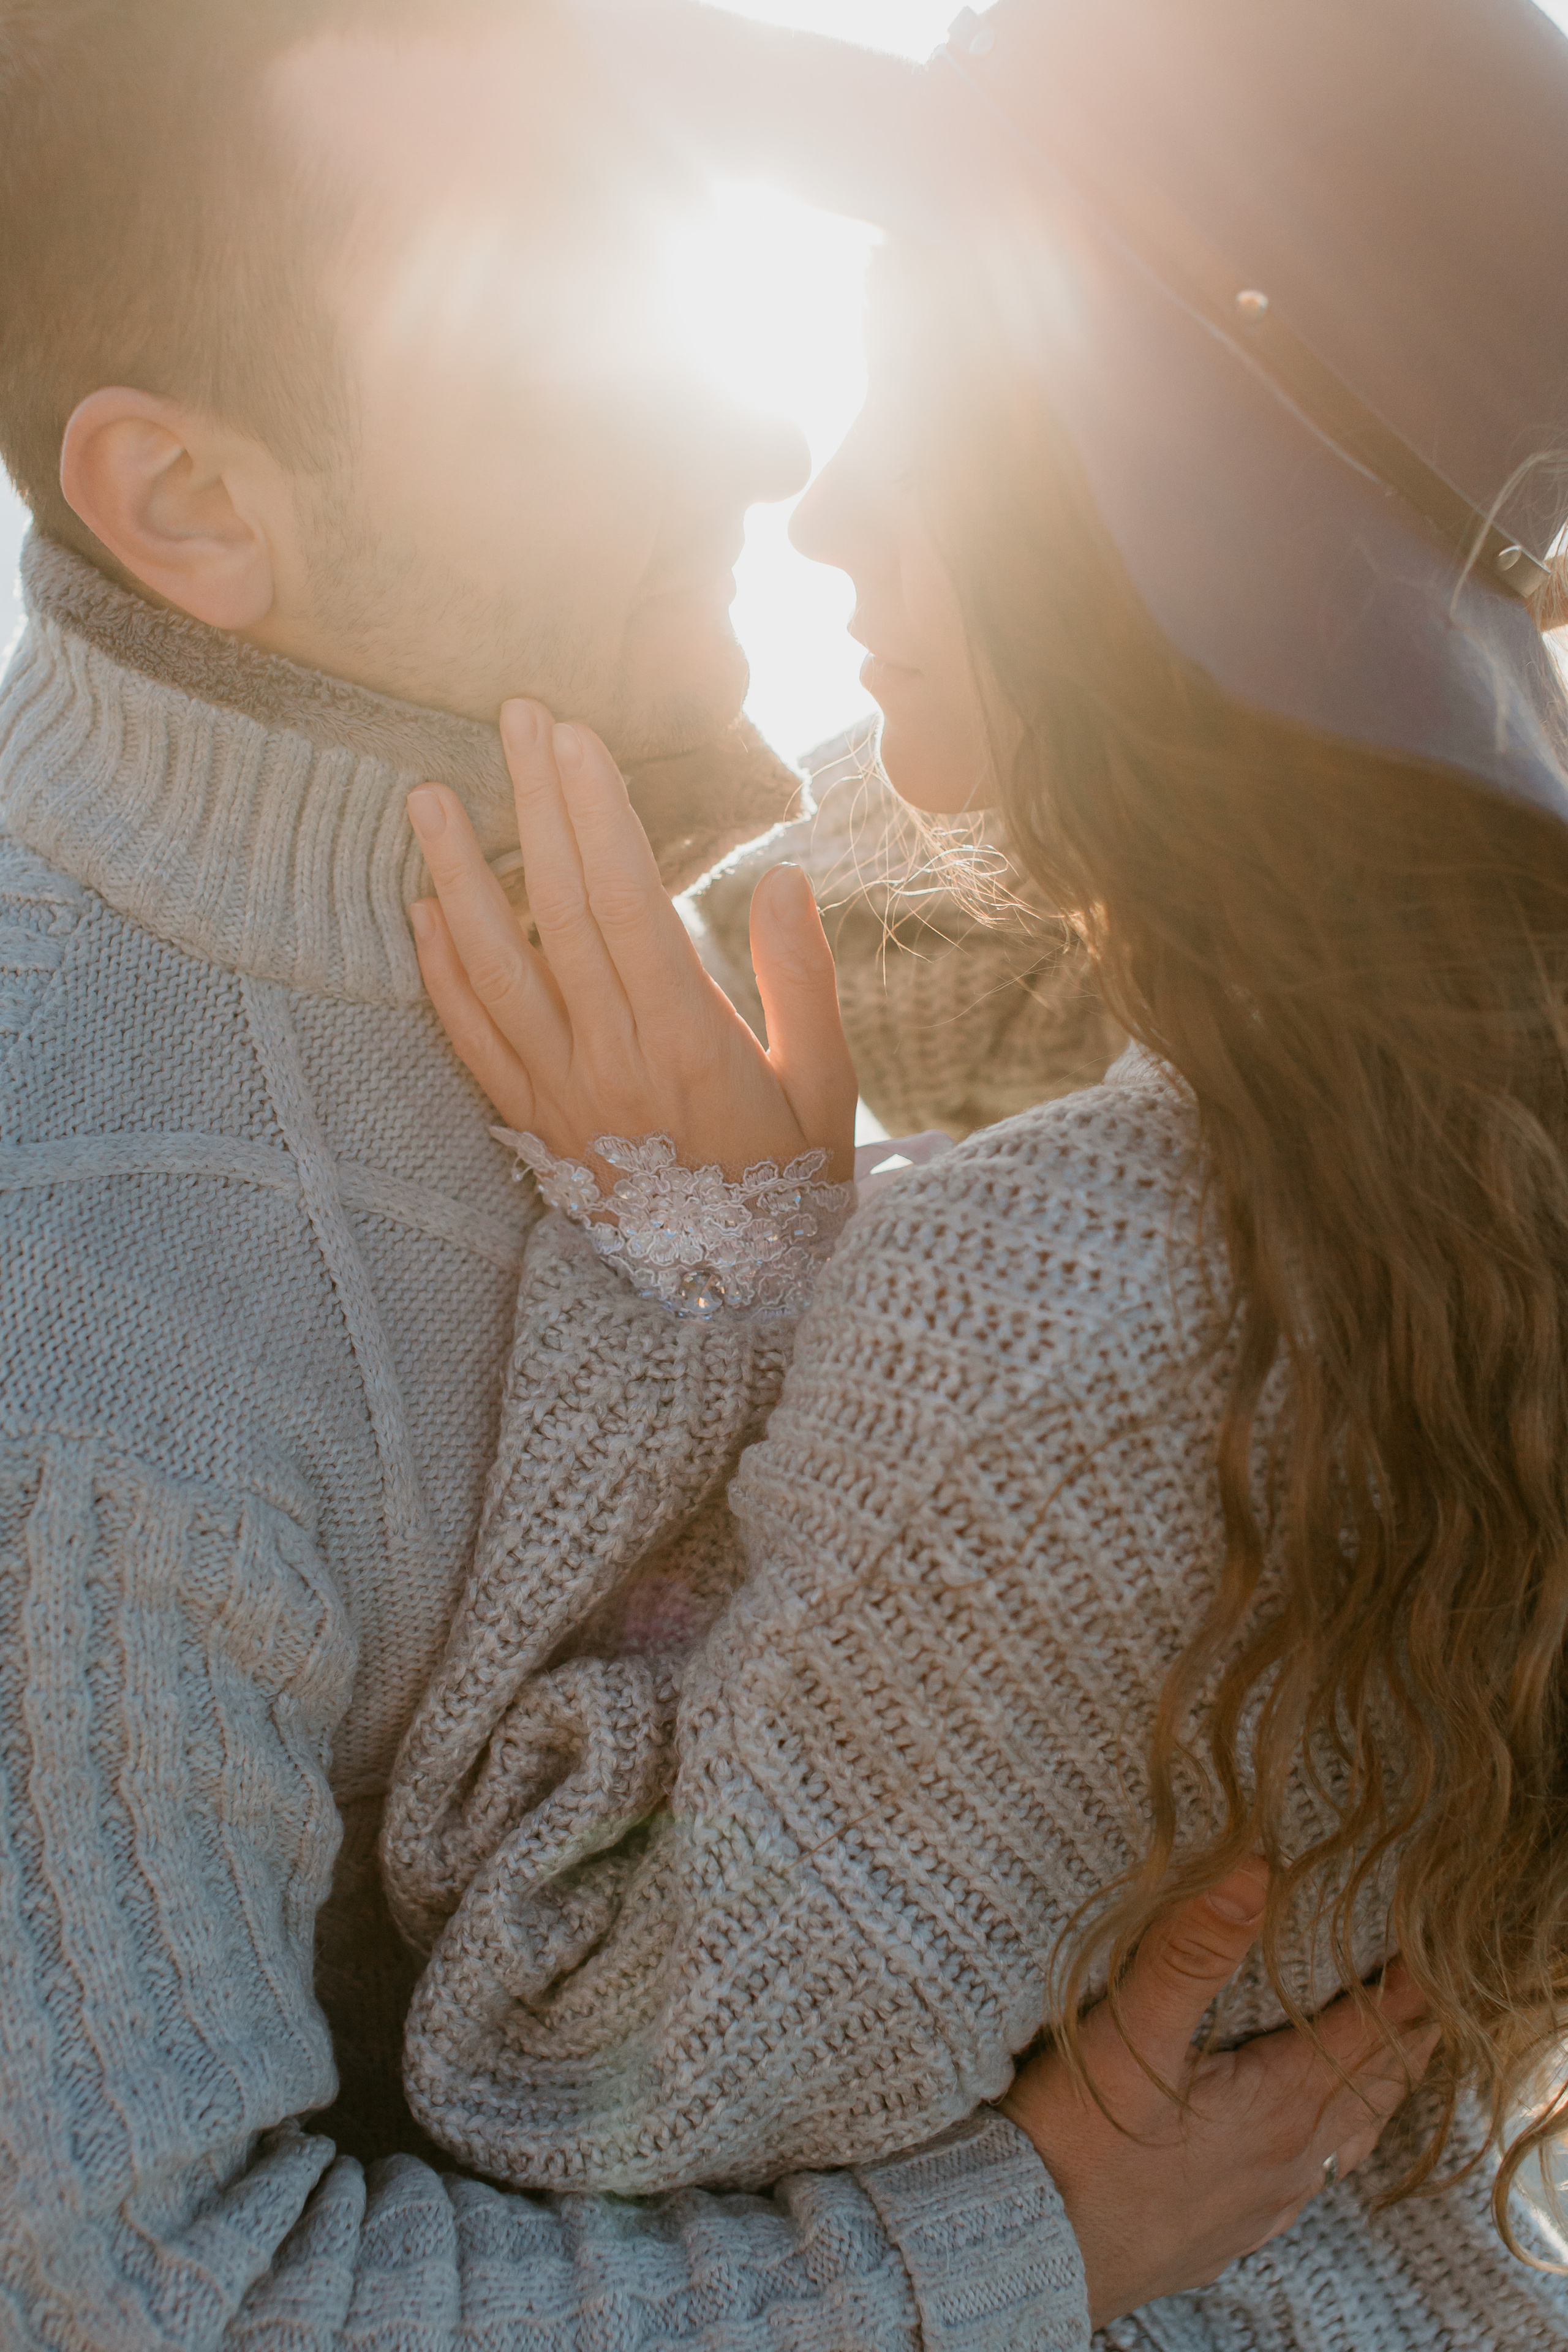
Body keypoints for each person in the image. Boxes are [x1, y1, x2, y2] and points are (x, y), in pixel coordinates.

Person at [0, 1, 1400, 2342]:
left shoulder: (584, 860)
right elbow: (147, 2291)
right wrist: (1019, 2248)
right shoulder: (90, 1310)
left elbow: (1113, 920)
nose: (758, 429)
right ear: (196, 506)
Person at [393, 0, 1568, 2344]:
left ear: (1118, 508)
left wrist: (697, 1280)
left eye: (915, 426)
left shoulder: (1068, 1318)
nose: (818, 512)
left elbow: (553, 2060)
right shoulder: (1475, 1132)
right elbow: (925, 924)